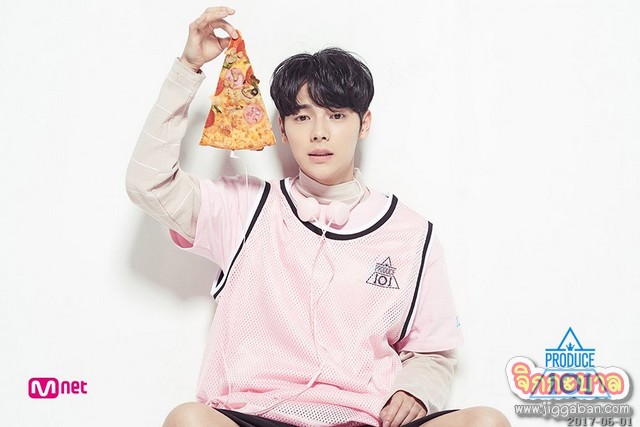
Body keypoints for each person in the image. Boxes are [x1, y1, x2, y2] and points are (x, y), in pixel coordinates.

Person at [126, 6, 511, 427]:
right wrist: (188, 68)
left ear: (364, 123)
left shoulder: (412, 233)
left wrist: (414, 390)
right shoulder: (245, 209)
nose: (319, 132)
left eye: (337, 115)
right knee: (188, 419)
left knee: (486, 421)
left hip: (367, 419)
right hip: (258, 414)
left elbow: (433, 349)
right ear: (282, 127)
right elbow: (150, 184)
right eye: (302, 116)